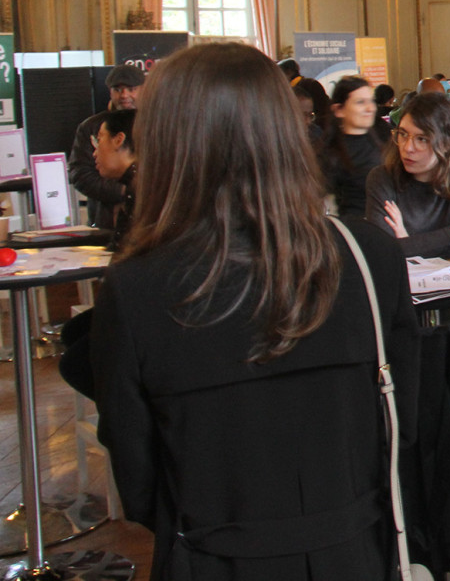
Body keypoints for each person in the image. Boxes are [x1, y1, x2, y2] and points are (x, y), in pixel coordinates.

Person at [91, 42, 418, 581]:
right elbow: (400, 420)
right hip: (357, 549)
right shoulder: (368, 256)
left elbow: (138, 479)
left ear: (168, 143)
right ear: (285, 134)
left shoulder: (135, 289)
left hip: (213, 559)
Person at [366, 91, 450, 395]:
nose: (407, 148)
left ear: (447, 142)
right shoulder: (382, 179)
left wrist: (410, 243)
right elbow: (384, 255)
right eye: (402, 135)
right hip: (402, 306)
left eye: (422, 139)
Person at [70, 64, 143, 228]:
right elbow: (80, 173)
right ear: (110, 91)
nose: (124, 95)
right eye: (118, 89)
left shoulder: (157, 125)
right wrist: (123, 191)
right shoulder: (90, 127)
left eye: (131, 89)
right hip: (105, 219)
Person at [317, 76, 389, 218]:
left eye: (371, 101)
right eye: (360, 102)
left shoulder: (382, 137)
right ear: (338, 109)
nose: (370, 108)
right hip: (355, 228)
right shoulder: (329, 153)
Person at [91, 108, 137, 245]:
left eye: (99, 140)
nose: (94, 153)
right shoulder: (137, 182)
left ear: (118, 140)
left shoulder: (143, 189)